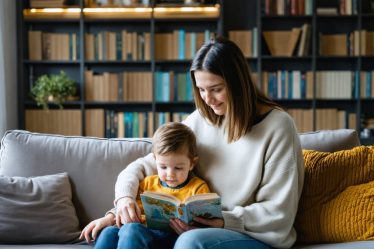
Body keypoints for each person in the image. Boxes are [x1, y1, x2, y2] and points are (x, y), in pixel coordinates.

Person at [111, 36, 305, 249]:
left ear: (238, 83)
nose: (208, 99)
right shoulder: (200, 120)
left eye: (216, 89)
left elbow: (279, 212)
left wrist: (224, 221)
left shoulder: (278, 126)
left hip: (255, 236)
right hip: (201, 229)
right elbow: (145, 165)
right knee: (112, 234)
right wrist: (123, 200)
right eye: (201, 90)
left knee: (190, 242)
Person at [80, 122, 211, 249]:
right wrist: (112, 217)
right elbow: (131, 209)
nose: (170, 174)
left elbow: (206, 219)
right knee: (108, 233)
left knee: (132, 230)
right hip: (141, 232)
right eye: (163, 167)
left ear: (192, 164)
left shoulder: (198, 187)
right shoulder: (147, 183)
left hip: (171, 236)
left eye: (178, 168)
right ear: (155, 161)